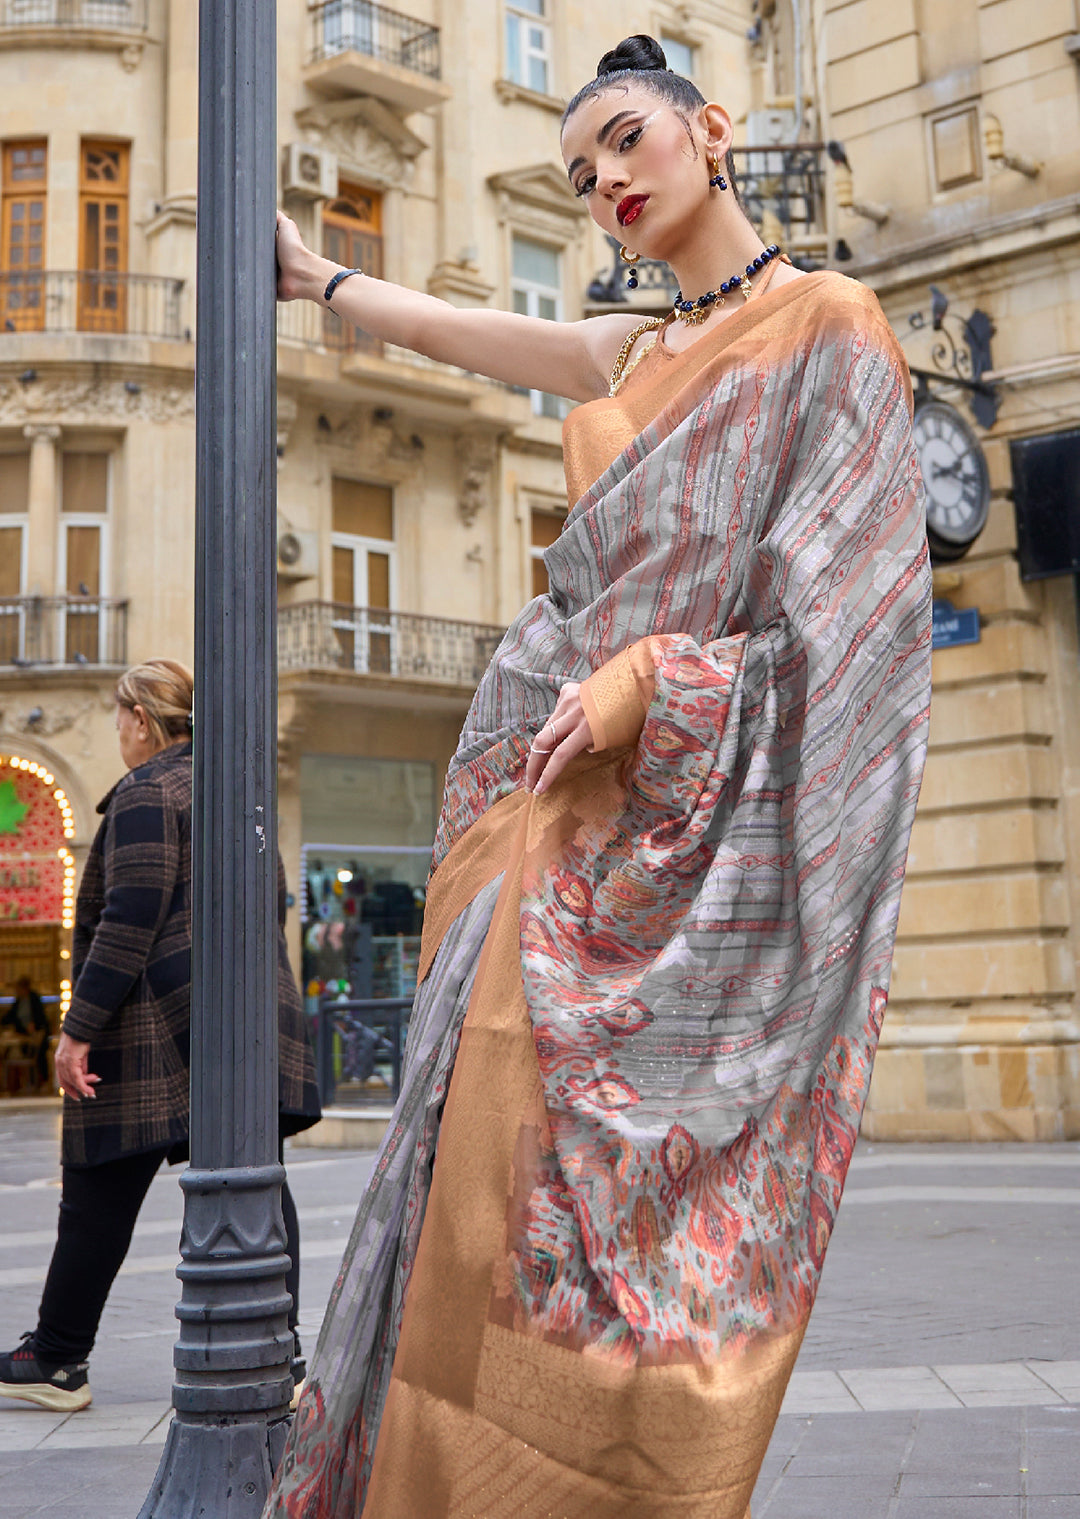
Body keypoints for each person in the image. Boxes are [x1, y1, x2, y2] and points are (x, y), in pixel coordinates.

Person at [267, 35, 931, 1519]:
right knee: (467, 1220)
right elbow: (468, 332)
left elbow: (858, 641)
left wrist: (653, 684)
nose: (605, 182)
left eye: (626, 142)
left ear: (710, 127)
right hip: (545, 842)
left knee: (610, 1269)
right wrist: (320, 284)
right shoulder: (629, 350)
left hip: (687, 845)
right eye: (578, 174)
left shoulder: (831, 324)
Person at [0, 658, 320, 1414]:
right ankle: (284, 1351)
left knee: (100, 1187)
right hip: (234, 1021)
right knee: (256, 1180)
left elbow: (130, 916)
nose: (118, 732)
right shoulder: (238, 793)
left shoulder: (147, 791)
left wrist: (76, 1030)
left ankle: (56, 1356)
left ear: (141, 718)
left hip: (154, 1031)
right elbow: (272, 900)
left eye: (120, 718)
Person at [0, 977, 51, 1092]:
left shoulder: (34, 999)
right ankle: (14, 1084)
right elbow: (10, 1016)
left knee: (38, 1055)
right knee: (10, 1052)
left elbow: (41, 1017)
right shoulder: (18, 1001)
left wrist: (34, 1026)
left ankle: (40, 1082)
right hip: (23, 1034)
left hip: (35, 1035)